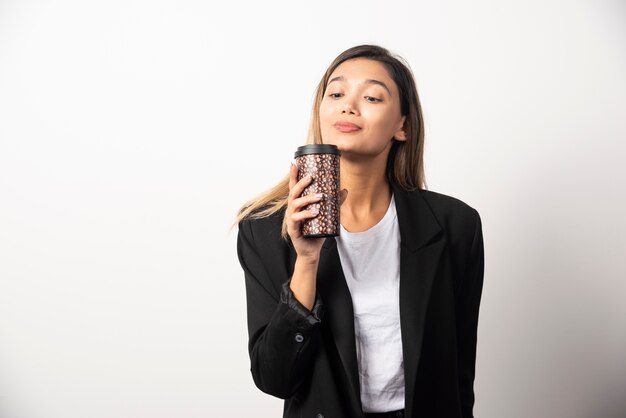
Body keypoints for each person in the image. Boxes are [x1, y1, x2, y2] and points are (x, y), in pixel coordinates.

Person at [235, 44, 485, 418]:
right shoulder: (263, 229)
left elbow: (459, 374)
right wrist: (306, 260)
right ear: (320, 111)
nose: (348, 106)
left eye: (371, 96)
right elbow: (275, 378)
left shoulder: (456, 226)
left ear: (402, 126)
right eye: (336, 93)